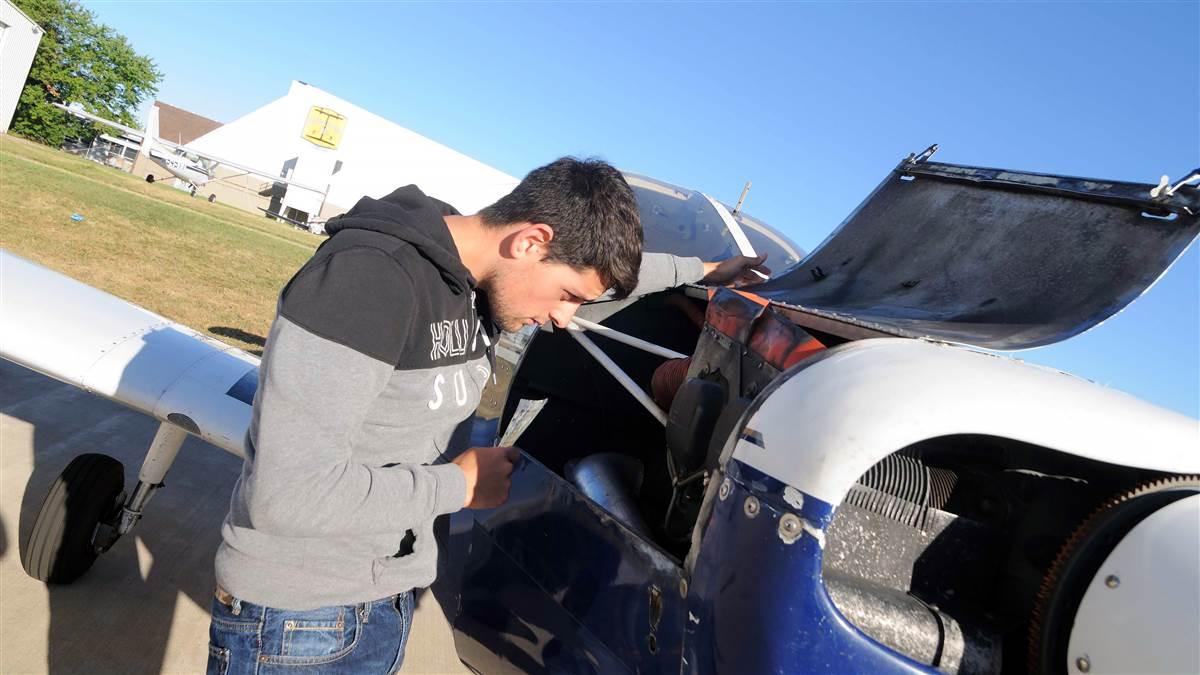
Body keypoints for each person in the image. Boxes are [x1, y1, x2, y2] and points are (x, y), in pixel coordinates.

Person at [205, 157, 767, 674]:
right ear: (529, 241)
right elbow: (285, 496)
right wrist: (459, 484)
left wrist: (712, 269)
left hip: (376, 596)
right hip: (298, 618)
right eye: (568, 294)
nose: (564, 320)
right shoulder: (369, 281)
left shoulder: (478, 278)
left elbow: (609, 272)